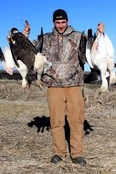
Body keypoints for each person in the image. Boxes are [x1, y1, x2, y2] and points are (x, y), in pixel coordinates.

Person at [33, 9, 86, 165]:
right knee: (56, 121)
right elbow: (30, 51)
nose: (61, 25)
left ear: (68, 21)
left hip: (74, 85)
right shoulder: (45, 39)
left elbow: (91, 53)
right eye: (57, 22)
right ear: (53, 22)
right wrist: (24, 35)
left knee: (76, 121)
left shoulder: (78, 36)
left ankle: (76, 154)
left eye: (63, 22)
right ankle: (59, 152)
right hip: (54, 85)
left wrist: (99, 34)